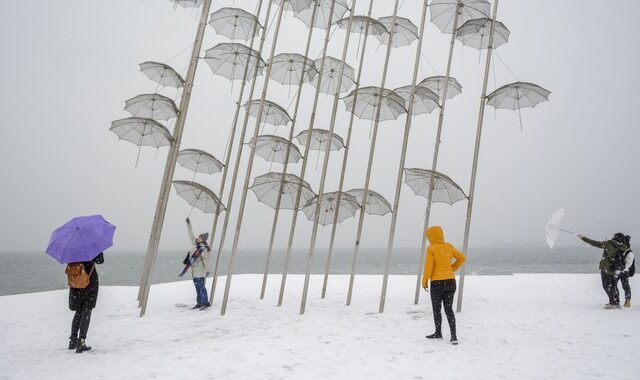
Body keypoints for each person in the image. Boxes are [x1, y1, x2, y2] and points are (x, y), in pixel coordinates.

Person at [422, 226, 466, 345]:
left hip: (437, 283)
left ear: (430, 236)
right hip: (450, 282)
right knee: (448, 308)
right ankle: (453, 336)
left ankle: (438, 332)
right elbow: (462, 258)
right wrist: (451, 268)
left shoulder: (431, 249)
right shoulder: (449, 247)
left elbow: (428, 267)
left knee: (437, 309)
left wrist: (424, 280)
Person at [578, 232, 628, 309]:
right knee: (614, 286)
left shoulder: (609, 243)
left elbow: (594, 243)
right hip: (616, 269)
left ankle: (612, 303)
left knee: (607, 286)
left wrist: (583, 238)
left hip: (607, 269)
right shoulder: (623, 246)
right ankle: (616, 302)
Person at [69, 252, 104, 353]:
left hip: (76, 280)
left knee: (79, 311)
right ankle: (81, 341)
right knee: (87, 311)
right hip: (89, 280)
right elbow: (100, 260)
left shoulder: (72, 245)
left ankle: (73, 341)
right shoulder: (92, 244)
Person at [186, 217, 211, 310]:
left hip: (201, 271)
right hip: (194, 270)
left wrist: (208, 270)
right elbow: (190, 234)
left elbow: (206, 260)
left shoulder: (204, 248)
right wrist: (188, 224)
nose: (198, 238)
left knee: (201, 287)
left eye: (200, 238)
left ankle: (205, 302)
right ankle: (199, 302)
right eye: (199, 237)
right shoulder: (195, 244)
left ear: (203, 240)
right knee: (197, 287)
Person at [619, 235, 633, 308]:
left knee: (625, 286)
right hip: (619, 270)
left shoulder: (629, 252)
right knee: (615, 285)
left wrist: (621, 266)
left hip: (624, 271)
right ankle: (615, 301)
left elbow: (628, 264)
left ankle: (628, 301)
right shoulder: (623, 250)